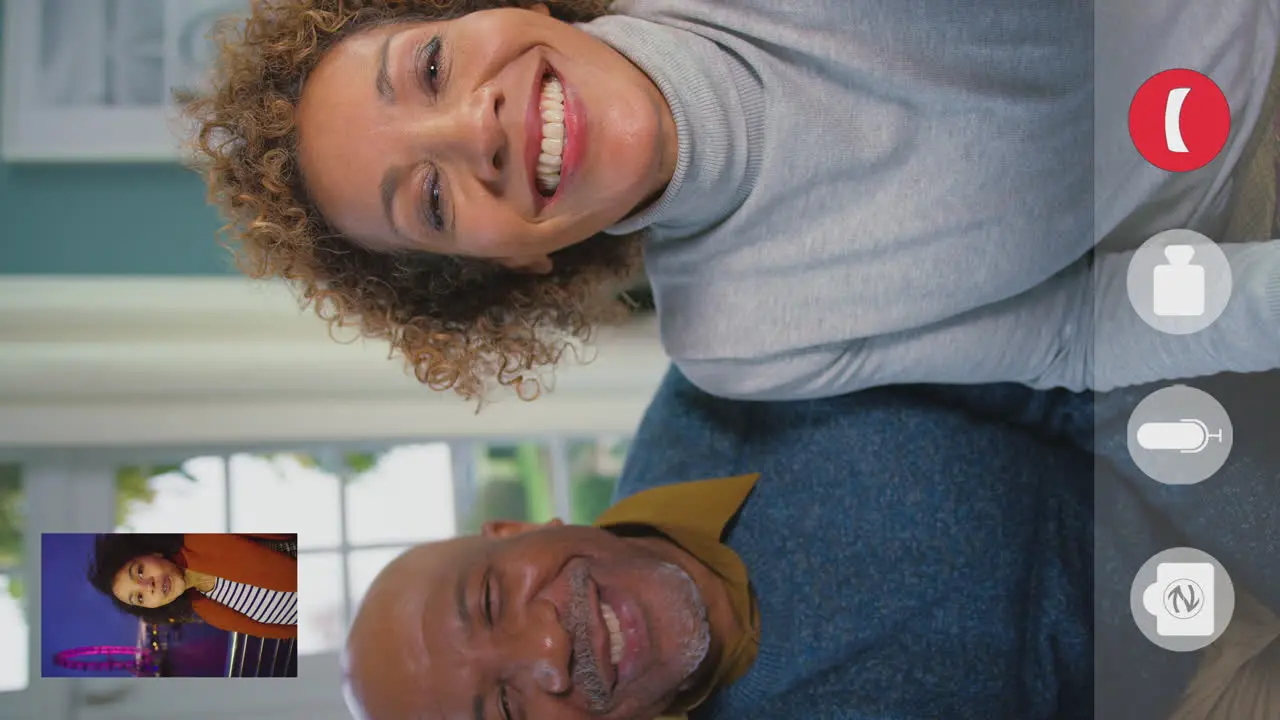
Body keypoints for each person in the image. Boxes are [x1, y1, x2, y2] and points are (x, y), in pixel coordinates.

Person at [183, 0, 1280, 403]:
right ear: (501, 264)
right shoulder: (736, 348)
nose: (475, 127)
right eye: (427, 198)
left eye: (426, 68)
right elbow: (1070, 336)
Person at [341, 368, 1280, 720]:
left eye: (494, 601)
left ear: (514, 531)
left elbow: (1070, 379)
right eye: (501, 712)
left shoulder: (731, 385)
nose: (548, 655)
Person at [86, 533, 298, 639]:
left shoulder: (203, 536)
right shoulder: (208, 612)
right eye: (139, 598)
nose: (148, 586)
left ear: (152, 553)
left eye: (139, 571)